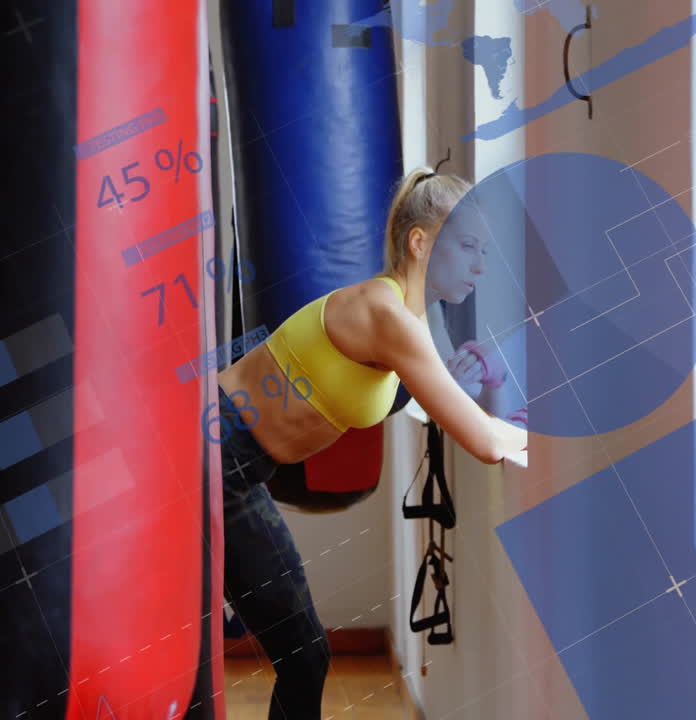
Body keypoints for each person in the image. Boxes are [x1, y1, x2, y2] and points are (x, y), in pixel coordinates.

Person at [215, 167, 527, 719]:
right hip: (213, 455)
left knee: (304, 651)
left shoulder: (399, 318)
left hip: (237, 469)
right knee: (300, 652)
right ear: (420, 241)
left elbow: (406, 394)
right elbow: (481, 441)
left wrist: (456, 386)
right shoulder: (390, 319)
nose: (481, 265)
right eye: (470, 246)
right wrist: (551, 444)